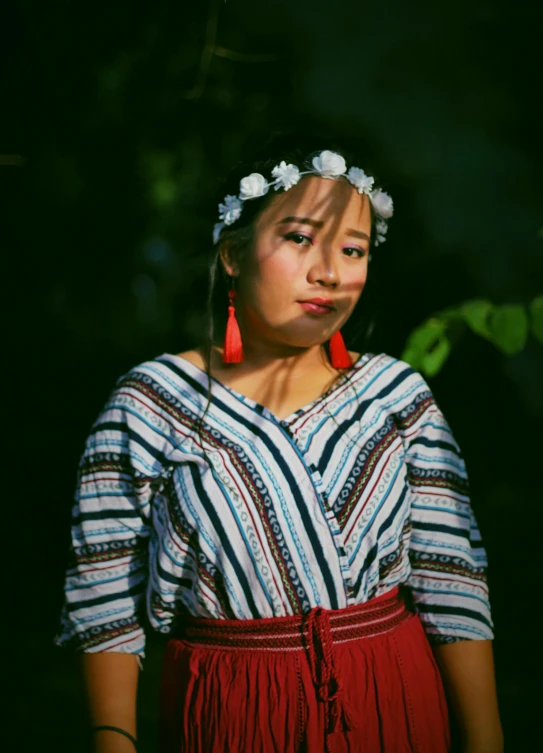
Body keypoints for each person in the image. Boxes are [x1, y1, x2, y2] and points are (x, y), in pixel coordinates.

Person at [56, 132, 504, 753]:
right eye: (299, 238)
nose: (329, 273)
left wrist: (486, 740)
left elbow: (452, 577)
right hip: (232, 709)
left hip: (395, 698)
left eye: (354, 249)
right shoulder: (153, 402)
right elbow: (103, 598)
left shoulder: (396, 395)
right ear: (233, 254)